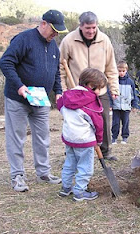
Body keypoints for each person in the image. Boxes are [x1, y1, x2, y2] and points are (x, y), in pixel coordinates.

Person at [0, 10, 67, 192]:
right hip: (17, 99)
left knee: (43, 137)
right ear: (43, 24)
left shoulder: (54, 47)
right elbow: (5, 62)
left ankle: (44, 172)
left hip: (41, 100)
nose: (55, 34)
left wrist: (58, 91)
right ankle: (17, 176)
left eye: (58, 32)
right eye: (53, 30)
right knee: (16, 138)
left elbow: (55, 72)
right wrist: (20, 86)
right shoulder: (23, 39)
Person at [59, 11, 119, 161]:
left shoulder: (104, 40)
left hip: (100, 90)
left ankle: (104, 151)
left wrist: (114, 88)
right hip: (77, 91)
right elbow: (60, 68)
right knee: (76, 121)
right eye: (88, 28)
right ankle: (73, 151)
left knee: (103, 118)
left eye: (93, 27)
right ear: (80, 26)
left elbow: (111, 67)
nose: (91, 31)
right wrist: (63, 90)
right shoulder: (68, 41)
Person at [57, 68, 106, 201]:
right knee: (85, 166)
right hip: (84, 140)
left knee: (70, 163)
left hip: (69, 138)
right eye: (98, 89)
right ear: (91, 85)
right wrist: (99, 140)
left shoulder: (67, 96)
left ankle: (65, 188)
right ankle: (79, 191)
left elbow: (59, 106)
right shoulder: (91, 101)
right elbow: (98, 124)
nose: (99, 93)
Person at [110, 60, 140, 144]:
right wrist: (110, 104)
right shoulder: (114, 81)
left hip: (126, 107)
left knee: (125, 123)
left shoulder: (130, 82)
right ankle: (114, 137)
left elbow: (134, 94)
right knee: (115, 123)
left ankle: (125, 137)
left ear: (126, 70)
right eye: (119, 71)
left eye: (123, 71)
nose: (121, 73)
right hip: (116, 106)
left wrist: (134, 105)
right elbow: (110, 93)